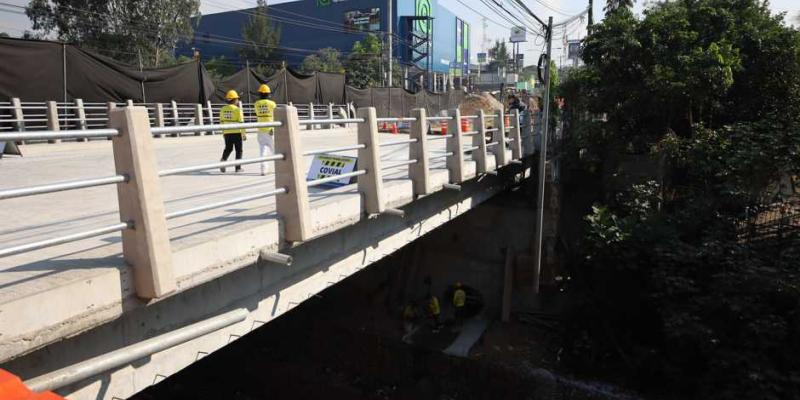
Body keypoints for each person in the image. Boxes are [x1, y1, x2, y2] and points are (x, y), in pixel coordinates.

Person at [219, 90, 246, 173]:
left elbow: (221, 122)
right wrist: (243, 134)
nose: (238, 100)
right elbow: (241, 123)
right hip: (237, 132)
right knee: (239, 150)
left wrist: (223, 132)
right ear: (234, 100)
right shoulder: (237, 110)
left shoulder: (223, 109)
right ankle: (238, 168)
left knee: (228, 148)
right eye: (237, 99)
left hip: (227, 133)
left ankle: (223, 160)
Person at [253, 84, 277, 176]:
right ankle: (279, 167)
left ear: (259, 94)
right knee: (275, 150)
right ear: (268, 94)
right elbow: (276, 115)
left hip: (260, 129)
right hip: (271, 129)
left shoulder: (256, 104)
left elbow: (257, 113)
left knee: (262, 150)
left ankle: (263, 170)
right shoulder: (272, 104)